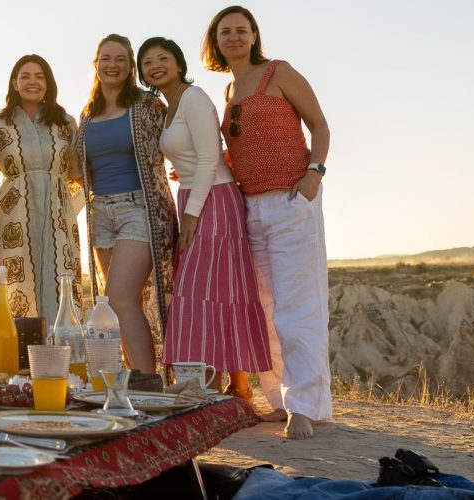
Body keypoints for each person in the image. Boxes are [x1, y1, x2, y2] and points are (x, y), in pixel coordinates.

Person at [203, 6, 332, 439]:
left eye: (242, 30)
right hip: (250, 206)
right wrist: (206, 167)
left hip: (292, 199)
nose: (234, 37)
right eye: (226, 32)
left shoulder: (278, 72)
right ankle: (278, 400)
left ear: (255, 35)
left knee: (298, 309)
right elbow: (244, 148)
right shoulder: (227, 91)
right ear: (216, 41)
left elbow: (320, 125)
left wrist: (315, 173)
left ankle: (306, 406)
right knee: (263, 310)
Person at [138, 37, 271, 402]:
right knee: (217, 288)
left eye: (163, 58)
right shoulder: (169, 106)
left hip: (213, 200)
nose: (155, 66)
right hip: (194, 196)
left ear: (179, 63)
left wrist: (193, 214)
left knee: (200, 290)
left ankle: (217, 386)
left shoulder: (194, 99)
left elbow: (211, 158)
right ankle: (238, 387)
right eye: (147, 62)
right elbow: (192, 156)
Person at [71, 34, 178, 374]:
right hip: (100, 212)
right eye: (106, 58)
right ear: (96, 64)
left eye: (120, 58)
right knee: (114, 304)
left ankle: (148, 380)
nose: (112, 64)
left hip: (139, 208)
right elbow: (76, 169)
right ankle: (134, 377)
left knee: (120, 296)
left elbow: (179, 139)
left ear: (130, 65)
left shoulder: (147, 106)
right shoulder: (87, 115)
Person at [0, 54, 83, 321]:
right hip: (12, 221)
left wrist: (66, 206)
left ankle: (63, 355)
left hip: (59, 218)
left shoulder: (66, 123)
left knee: (61, 281)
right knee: (17, 287)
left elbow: (78, 175)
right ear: (15, 83)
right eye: (25, 76)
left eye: (39, 76)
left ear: (49, 83)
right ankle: (20, 359)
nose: (33, 82)